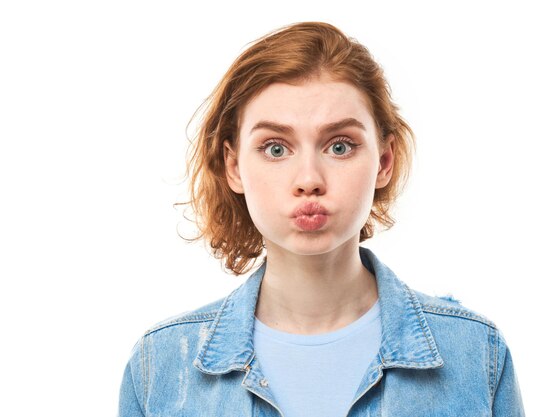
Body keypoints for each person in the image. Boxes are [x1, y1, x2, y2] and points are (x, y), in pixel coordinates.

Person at [117, 21, 525, 417]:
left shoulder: (476, 354)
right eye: (276, 149)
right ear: (234, 166)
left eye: (340, 146)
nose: (309, 180)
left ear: (384, 161)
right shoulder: (159, 367)